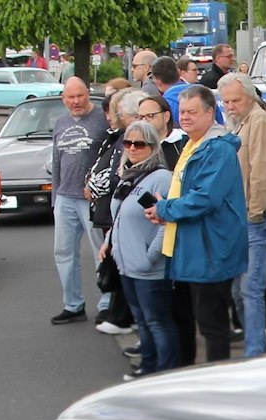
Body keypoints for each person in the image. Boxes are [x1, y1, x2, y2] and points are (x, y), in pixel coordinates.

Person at [148, 84, 246, 363]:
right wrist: (163, 207)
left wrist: (165, 208)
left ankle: (216, 386)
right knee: (190, 320)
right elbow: (186, 191)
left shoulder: (217, 149)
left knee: (212, 326)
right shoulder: (193, 145)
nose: (186, 117)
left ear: (210, 112)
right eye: (183, 111)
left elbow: (204, 198)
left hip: (210, 250)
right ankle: (188, 376)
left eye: (193, 111)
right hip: (193, 248)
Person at [107, 118, 178, 375]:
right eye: (128, 143)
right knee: (143, 323)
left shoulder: (161, 178)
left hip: (149, 268)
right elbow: (120, 215)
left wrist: (151, 256)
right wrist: (109, 243)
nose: (133, 148)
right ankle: (148, 368)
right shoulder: (129, 176)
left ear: (153, 146)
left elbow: (168, 221)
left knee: (158, 322)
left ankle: (165, 371)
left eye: (140, 144)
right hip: (127, 266)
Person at [219, 74, 266, 358]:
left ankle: (255, 353)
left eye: (235, 100)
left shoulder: (260, 121)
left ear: (251, 97)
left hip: (256, 218)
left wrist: (254, 212)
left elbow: (263, 171)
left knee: (250, 289)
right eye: (226, 101)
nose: (230, 106)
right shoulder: (240, 123)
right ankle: (253, 347)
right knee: (238, 290)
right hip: (239, 219)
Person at [49, 78, 108, 325]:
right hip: (65, 197)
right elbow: (57, 161)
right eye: (70, 97)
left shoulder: (102, 121)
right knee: (63, 252)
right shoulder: (60, 123)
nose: (76, 102)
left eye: (80, 96)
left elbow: (110, 157)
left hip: (91, 199)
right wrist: (55, 199)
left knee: (100, 253)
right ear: (63, 99)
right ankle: (73, 305)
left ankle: (107, 304)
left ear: (88, 95)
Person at [86, 89, 143, 338]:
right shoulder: (119, 137)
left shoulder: (129, 138)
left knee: (124, 264)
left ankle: (123, 315)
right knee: (118, 261)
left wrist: (94, 186)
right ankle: (120, 313)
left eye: (118, 113)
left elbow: (116, 175)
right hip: (112, 211)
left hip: (123, 212)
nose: (113, 118)